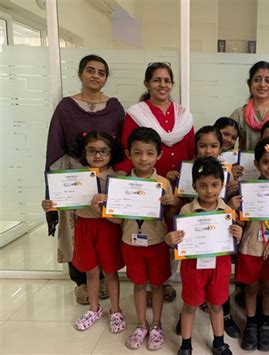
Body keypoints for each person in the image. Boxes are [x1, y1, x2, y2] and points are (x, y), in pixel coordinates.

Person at [45, 54, 125, 305]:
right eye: (90, 70)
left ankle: (103, 277)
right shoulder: (66, 107)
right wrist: (55, 186)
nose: (95, 76)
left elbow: (121, 143)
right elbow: (56, 145)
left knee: (105, 226)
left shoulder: (114, 107)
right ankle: (81, 281)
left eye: (101, 72)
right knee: (75, 229)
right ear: (80, 74)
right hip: (73, 174)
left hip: (106, 174)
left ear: (106, 78)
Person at [116, 62, 195, 303]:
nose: (162, 85)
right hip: (146, 186)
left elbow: (191, 150)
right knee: (148, 231)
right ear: (147, 84)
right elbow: (127, 149)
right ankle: (146, 284)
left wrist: (185, 182)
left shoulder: (183, 114)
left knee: (170, 232)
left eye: (167, 80)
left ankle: (165, 280)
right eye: (157, 80)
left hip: (177, 187)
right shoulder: (136, 113)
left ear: (172, 84)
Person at [98, 127, 180, 350]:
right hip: (130, 243)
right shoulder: (120, 184)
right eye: (138, 153)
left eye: (150, 153)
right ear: (128, 154)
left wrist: (172, 205)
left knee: (157, 285)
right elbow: (118, 221)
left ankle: (156, 325)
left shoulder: (163, 183)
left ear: (159, 155)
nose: (144, 158)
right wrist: (103, 210)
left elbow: (168, 219)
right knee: (138, 284)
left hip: (157, 243)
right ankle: (141, 324)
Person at [43, 132, 125, 332]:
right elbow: (61, 200)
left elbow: (121, 212)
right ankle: (94, 308)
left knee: (111, 272)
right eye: (92, 151)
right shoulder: (76, 177)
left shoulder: (118, 177)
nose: (98, 155)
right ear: (84, 152)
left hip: (108, 228)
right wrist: (50, 204)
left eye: (103, 151)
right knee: (91, 270)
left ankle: (115, 310)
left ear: (111, 152)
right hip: (84, 227)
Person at [165, 157, 243, 355]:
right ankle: (186, 344)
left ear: (222, 184)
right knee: (190, 305)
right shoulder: (186, 211)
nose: (209, 191)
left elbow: (232, 241)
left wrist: (238, 235)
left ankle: (219, 342)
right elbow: (177, 242)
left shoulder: (227, 211)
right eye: (203, 185)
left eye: (215, 185)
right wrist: (170, 239)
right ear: (194, 186)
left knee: (216, 305)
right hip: (193, 268)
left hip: (220, 266)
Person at [231, 137, 269, 352]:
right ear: (256, 164)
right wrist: (234, 210)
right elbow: (239, 222)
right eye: (265, 162)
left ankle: (265, 323)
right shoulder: (247, 191)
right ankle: (252, 322)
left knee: (268, 287)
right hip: (251, 248)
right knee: (252, 287)